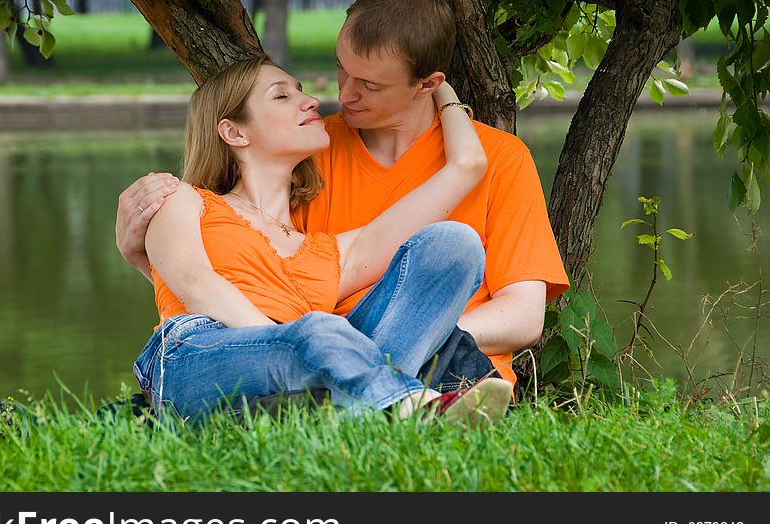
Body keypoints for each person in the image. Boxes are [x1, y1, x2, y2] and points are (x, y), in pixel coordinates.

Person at [117, 0, 569, 390]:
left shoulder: (501, 160)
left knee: (453, 244)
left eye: (369, 85)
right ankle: (389, 397)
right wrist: (148, 258)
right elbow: (229, 276)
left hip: (396, 358)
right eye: (341, 70)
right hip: (295, 351)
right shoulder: (307, 152)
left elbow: (524, 316)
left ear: (426, 84)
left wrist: (392, 337)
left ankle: (373, 389)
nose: (342, 94)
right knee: (317, 336)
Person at [134, 56, 513, 424]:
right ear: (235, 131)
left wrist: (438, 87)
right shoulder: (183, 199)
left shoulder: (328, 252)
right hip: (195, 359)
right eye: (282, 96)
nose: (311, 100)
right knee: (321, 328)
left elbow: (467, 167)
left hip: (307, 372)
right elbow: (194, 284)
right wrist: (289, 337)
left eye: (302, 91)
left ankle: (361, 412)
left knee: (453, 244)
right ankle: (414, 404)